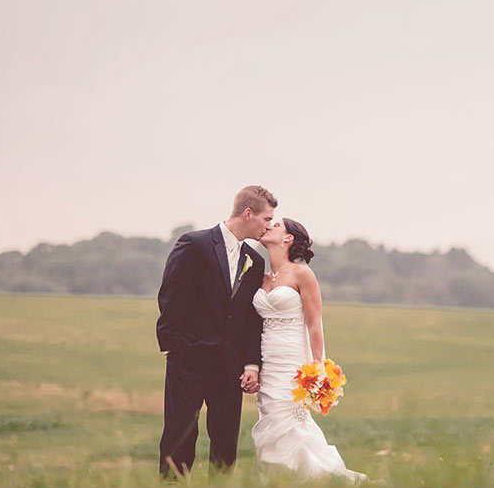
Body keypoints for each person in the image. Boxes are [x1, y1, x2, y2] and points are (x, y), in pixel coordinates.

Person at [155, 185, 276, 478]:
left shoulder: (255, 260)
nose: (269, 226)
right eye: (266, 219)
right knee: (179, 439)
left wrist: (250, 363)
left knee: (225, 445)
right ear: (248, 213)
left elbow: (249, 318)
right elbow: (169, 298)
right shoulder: (194, 244)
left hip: (229, 367)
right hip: (188, 361)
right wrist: (181, 348)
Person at [250, 217, 366, 483]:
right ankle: (280, 479)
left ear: (288, 238)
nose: (269, 226)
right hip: (268, 359)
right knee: (270, 417)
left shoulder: (302, 273)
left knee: (290, 419)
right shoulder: (263, 276)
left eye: (276, 225)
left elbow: (315, 324)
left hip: (294, 359)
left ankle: (317, 478)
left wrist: (319, 368)